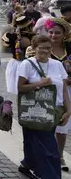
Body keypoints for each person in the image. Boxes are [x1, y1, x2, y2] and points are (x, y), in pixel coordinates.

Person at [17, 35, 71, 179]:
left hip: (54, 110)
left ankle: (27, 164)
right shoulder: (27, 64)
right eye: (42, 48)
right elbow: (20, 88)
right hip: (33, 110)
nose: (45, 51)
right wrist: (40, 83)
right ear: (34, 48)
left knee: (33, 141)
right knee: (49, 148)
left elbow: (64, 89)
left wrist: (69, 110)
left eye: (48, 48)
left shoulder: (57, 65)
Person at [46, 18, 71, 172]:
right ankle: (47, 153)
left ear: (64, 34)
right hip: (48, 91)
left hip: (68, 91)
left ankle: (59, 154)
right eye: (51, 32)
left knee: (63, 125)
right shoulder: (42, 47)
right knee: (47, 124)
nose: (54, 35)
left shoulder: (70, 49)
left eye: (57, 33)